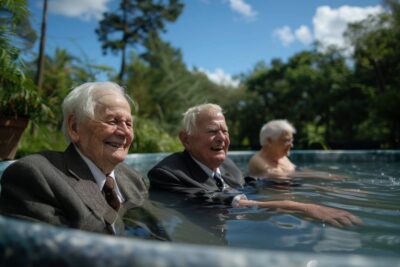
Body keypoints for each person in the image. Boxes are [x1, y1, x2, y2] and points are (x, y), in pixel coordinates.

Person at [148, 103, 362, 227]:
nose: (222, 138)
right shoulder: (167, 173)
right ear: (186, 139)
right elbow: (214, 201)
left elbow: (252, 184)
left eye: (225, 131)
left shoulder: (228, 165)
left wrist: (317, 189)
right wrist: (299, 207)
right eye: (213, 131)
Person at [0, 81, 165, 238]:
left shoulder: (134, 179)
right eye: (113, 121)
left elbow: (156, 235)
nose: (124, 133)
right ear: (74, 127)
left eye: (128, 124)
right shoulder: (35, 176)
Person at [248, 119, 343, 181]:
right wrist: (320, 176)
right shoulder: (257, 161)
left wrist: (326, 174)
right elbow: (279, 177)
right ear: (269, 141)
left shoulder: (282, 157)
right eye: (286, 141)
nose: (291, 145)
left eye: (291, 141)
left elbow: (297, 170)